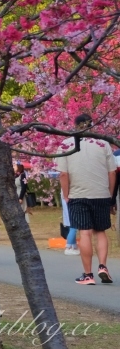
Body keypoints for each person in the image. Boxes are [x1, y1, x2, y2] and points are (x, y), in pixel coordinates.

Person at [58, 113, 117, 285]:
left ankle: (88, 275)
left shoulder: (66, 144)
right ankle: (103, 266)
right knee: (101, 232)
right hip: (101, 194)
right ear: (92, 125)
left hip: (78, 194)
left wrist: (66, 195)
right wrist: (109, 195)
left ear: (75, 125)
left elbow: (63, 174)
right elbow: (112, 172)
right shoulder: (103, 143)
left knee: (85, 232)